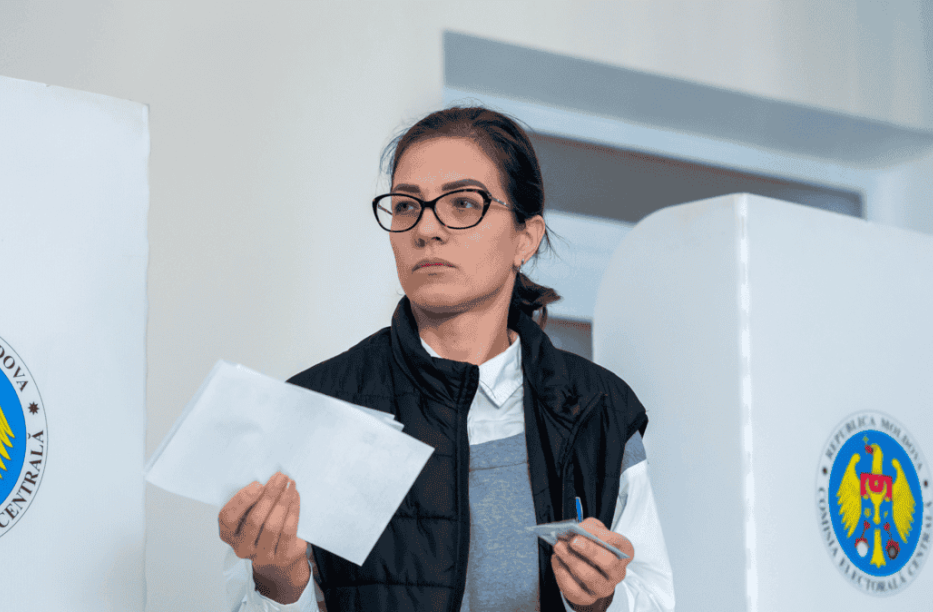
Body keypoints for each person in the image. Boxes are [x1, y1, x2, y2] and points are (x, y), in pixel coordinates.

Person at [219, 106, 675, 611]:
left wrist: (598, 602)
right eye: (407, 206)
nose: (427, 229)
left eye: (462, 203)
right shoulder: (313, 406)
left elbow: (655, 597)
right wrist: (280, 583)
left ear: (526, 238)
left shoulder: (598, 409)